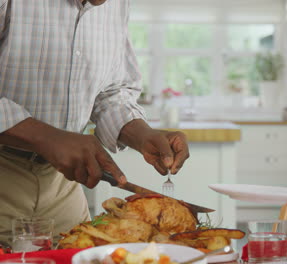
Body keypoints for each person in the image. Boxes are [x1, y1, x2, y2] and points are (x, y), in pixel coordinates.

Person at [0, 0, 189, 246]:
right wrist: (46, 137)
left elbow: (111, 92)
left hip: (61, 186)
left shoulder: (116, 5)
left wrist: (141, 133)